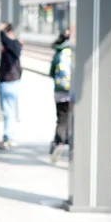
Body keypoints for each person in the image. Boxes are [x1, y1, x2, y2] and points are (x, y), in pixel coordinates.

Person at [0, 23, 23, 150]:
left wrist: (1, 31)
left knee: (8, 111)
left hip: (9, 82)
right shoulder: (13, 45)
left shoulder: (14, 44)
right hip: (6, 81)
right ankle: (8, 136)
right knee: (8, 111)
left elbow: (4, 40)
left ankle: (8, 137)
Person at [49, 31, 73, 162]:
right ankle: (71, 145)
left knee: (61, 118)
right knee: (72, 118)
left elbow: (52, 71)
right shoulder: (74, 51)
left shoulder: (58, 52)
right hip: (73, 91)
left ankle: (59, 143)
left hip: (60, 91)